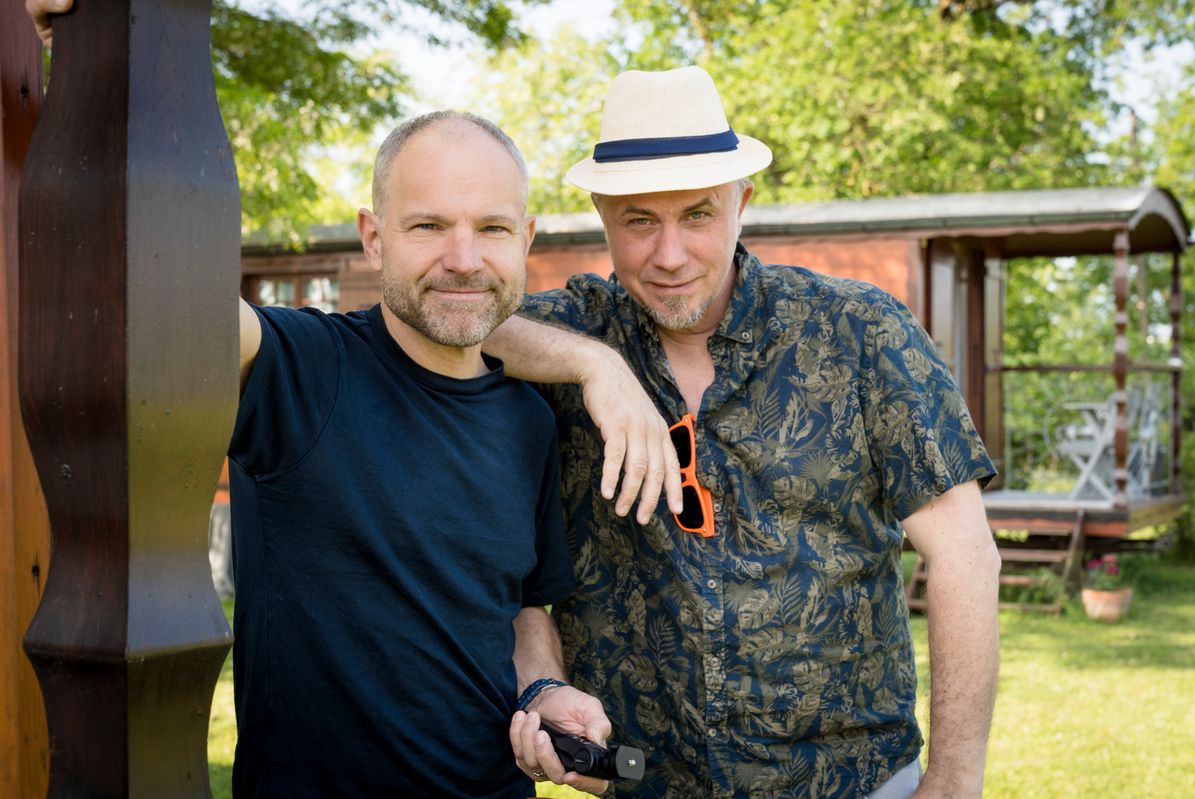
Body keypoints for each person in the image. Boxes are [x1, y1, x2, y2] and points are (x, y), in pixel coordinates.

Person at [25, 4, 620, 789]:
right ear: (373, 237)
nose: (464, 257)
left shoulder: (528, 421)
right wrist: (96, 57)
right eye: (429, 225)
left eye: (492, 228)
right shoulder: (302, 368)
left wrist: (544, 686)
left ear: (528, 237)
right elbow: (150, 283)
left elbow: (522, 604)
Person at [491, 66, 1002, 798]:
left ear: (742, 205)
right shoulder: (571, 332)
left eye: (697, 215)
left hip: (855, 781)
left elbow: (965, 556)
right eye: (639, 220)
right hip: (647, 785)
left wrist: (954, 779)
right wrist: (593, 366)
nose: (669, 254)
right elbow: (455, 319)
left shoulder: (860, 331)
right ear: (603, 213)